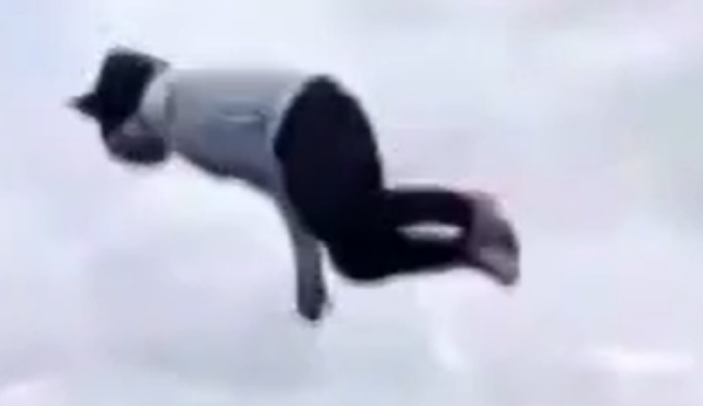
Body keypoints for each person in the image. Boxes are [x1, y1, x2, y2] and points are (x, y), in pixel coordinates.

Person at [68, 47, 520, 324]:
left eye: (112, 138)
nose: (117, 153)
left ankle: (469, 210)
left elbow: (279, 178)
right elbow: (281, 180)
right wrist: (311, 274)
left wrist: (307, 273)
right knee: (357, 257)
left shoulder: (179, 118)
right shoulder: (179, 112)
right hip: (320, 124)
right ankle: (466, 251)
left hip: (313, 117)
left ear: (126, 122)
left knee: (340, 216)